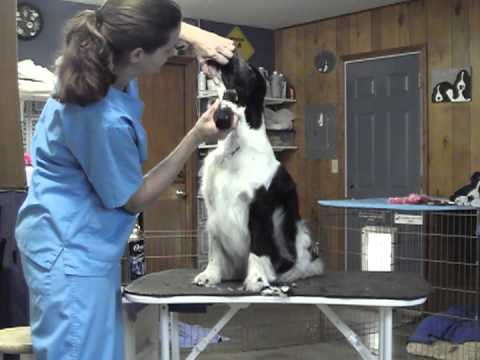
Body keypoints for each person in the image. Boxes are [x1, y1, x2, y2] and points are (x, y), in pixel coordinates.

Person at [14, 0, 235, 359]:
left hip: (69, 239)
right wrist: (196, 136)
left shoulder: (103, 70)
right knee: (82, 352)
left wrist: (196, 40)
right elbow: (134, 197)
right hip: (69, 249)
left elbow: (122, 11)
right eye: (168, 49)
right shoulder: (100, 116)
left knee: (105, 347)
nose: (171, 54)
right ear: (136, 54)